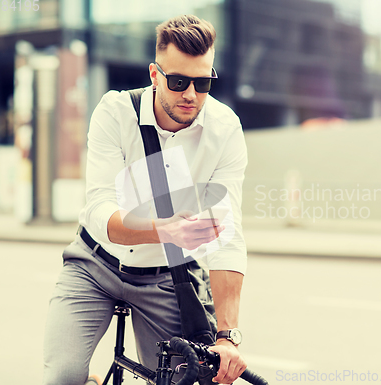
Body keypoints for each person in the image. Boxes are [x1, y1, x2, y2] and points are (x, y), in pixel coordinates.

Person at [43, 15, 248, 385]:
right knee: (62, 377)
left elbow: (227, 234)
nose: (190, 94)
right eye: (178, 81)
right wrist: (167, 231)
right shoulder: (115, 112)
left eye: (202, 83)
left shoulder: (225, 129)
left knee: (183, 380)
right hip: (95, 265)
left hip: (166, 279)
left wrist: (227, 336)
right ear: (155, 75)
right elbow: (99, 211)